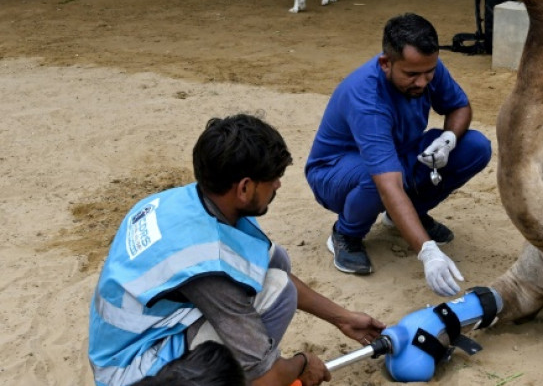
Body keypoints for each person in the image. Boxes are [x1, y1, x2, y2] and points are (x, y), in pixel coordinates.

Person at [88, 114, 385, 386]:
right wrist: (302, 364)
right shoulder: (206, 263)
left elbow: (264, 265)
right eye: (273, 178)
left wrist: (342, 318)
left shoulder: (186, 201)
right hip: (134, 374)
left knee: (275, 262)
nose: (278, 185)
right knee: (278, 293)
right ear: (244, 188)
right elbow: (267, 377)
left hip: (132, 343)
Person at [305, 13, 492, 296]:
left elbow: (459, 106)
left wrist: (449, 140)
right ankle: (346, 233)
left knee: (475, 147)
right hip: (336, 172)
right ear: (385, 63)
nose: (422, 82)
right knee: (376, 177)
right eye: (412, 75)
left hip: (397, 156)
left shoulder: (424, 66)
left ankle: (406, 214)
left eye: (429, 73)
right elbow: (388, 183)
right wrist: (427, 252)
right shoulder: (367, 98)